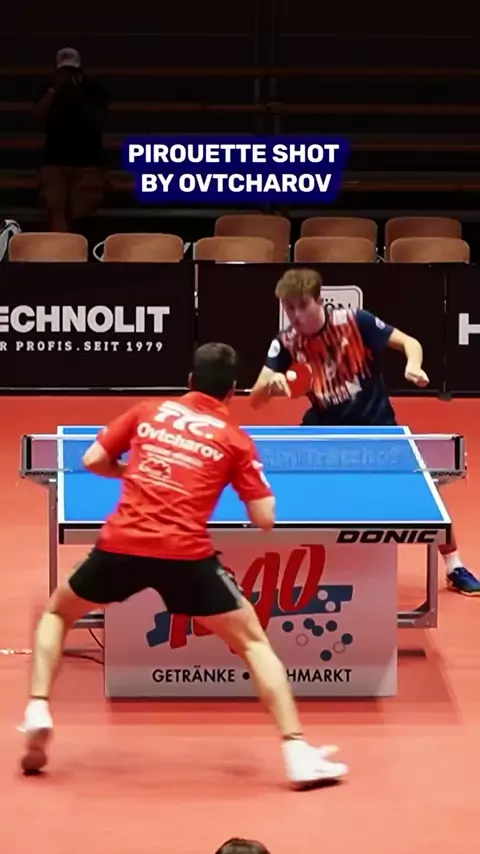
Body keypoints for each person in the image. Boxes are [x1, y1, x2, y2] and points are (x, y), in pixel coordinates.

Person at [19, 342, 348, 789]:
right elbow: (265, 519)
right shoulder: (234, 440)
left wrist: (132, 473)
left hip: (123, 543)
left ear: (189, 380)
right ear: (232, 391)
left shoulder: (148, 411)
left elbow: (93, 459)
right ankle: (295, 752)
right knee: (253, 643)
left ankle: (38, 707)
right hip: (186, 555)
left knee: (58, 613)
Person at [250, 268, 480, 596]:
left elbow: (410, 343)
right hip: (324, 429)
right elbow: (255, 398)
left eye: (302, 306)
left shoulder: (355, 321)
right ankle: (306, 563)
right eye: (289, 308)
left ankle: (454, 566)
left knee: (426, 494)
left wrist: (413, 365)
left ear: (319, 300)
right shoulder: (285, 342)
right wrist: (270, 386)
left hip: (375, 425)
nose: (296, 315)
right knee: (292, 485)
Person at [32, 47, 107, 239]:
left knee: (82, 214)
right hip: (54, 160)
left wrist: (78, 95)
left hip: (88, 161)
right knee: (55, 209)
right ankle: (61, 251)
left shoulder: (93, 90)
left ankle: (80, 250)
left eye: (72, 71)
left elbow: (99, 119)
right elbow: (37, 117)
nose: (69, 76)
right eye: (65, 71)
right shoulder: (47, 90)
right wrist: (55, 89)